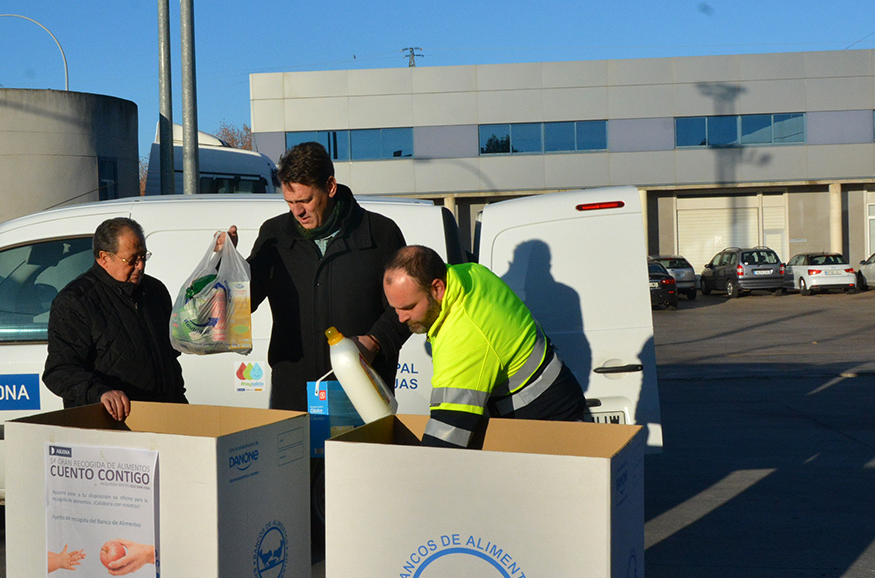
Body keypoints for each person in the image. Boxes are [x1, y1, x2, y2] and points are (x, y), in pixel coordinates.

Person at [220, 141, 409, 411]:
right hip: (293, 397)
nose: (297, 211)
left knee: (355, 455)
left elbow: (407, 307)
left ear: (330, 187)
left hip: (360, 394)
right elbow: (241, 305)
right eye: (289, 202)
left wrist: (375, 341)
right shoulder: (274, 235)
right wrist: (226, 264)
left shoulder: (380, 233)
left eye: (305, 200)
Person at [383, 245, 587, 449]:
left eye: (408, 307)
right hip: (553, 396)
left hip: (546, 418)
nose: (401, 318)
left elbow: (447, 435)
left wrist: (416, 472)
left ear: (438, 288)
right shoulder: (469, 273)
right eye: (395, 308)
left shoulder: (464, 336)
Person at [44, 218, 186, 421]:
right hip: (111, 424)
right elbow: (59, 370)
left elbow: (169, 357)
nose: (141, 265)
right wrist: (100, 392)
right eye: (132, 259)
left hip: (164, 417)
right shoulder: (75, 301)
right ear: (104, 258)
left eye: (143, 256)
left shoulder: (155, 291)